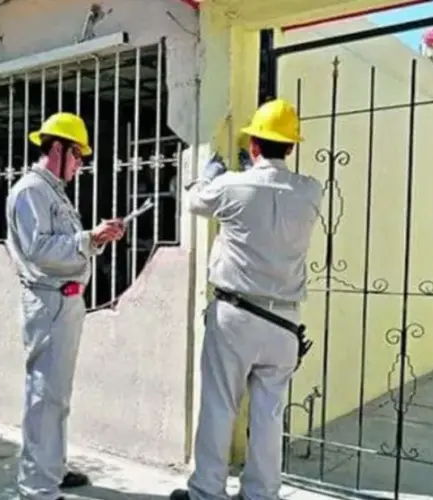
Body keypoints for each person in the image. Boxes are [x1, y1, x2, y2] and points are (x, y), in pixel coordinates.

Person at [170, 99, 322, 500]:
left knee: (220, 405)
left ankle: (206, 492)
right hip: (284, 322)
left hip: (236, 316)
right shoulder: (310, 191)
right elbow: (270, 194)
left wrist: (211, 176)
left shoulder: (231, 186)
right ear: (290, 147)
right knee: (269, 415)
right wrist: (248, 171)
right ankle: (261, 494)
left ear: (254, 144)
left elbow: (195, 200)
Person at [5, 112, 126, 500]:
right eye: (77, 154)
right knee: (44, 395)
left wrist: (95, 239)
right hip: (49, 301)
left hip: (65, 301)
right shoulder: (30, 191)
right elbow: (38, 250)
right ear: (56, 148)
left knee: (57, 394)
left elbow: (67, 244)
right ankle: (37, 487)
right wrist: (86, 238)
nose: (80, 164)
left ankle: (51, 469)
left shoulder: (53, 191)